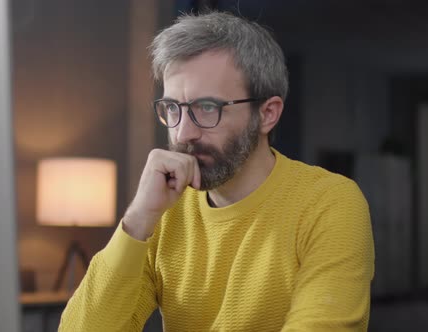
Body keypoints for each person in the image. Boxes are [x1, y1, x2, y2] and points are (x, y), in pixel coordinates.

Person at [59, 11, 374, 332]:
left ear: (267, 114)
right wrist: (139, 218)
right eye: (172, 108)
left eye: (207, 107)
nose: (182, 134)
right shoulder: (164, 212)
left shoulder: (330, 203)